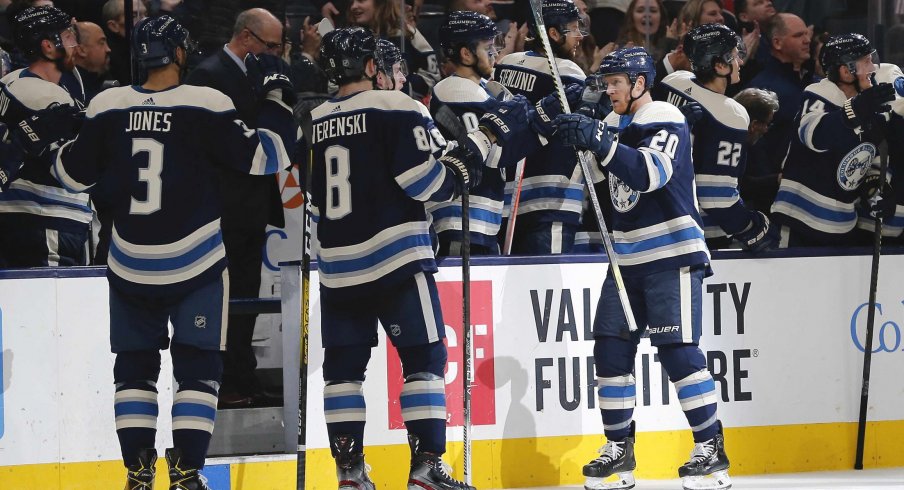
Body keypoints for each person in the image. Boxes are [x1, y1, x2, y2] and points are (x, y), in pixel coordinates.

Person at [19, 14, 294, 490]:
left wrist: (45, 138)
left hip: (129, 263)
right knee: (198, 371)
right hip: (197, 263)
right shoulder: (206, 101)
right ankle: (186, 472)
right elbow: (268, 156)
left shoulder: (107, 104)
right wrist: (275, 98)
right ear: (181, 53)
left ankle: (138, 474)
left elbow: (71, 173)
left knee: (134, 372)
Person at [310, 26, 529, 490]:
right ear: (371, 66)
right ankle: (427, 468)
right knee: (425, 359)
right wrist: (478, 145)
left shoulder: (314, 118)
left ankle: (349, 474)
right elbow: (428, 184)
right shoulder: (397, 106)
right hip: (397, 260)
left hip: (336, 267)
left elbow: (313, 202)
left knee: (343, 372)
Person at [552, 46, 731, 490]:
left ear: (639, 83)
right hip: (625, 258)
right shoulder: (615, 124)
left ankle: (711, 449)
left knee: (678, 353)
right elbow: (600, 180)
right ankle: (619, 450)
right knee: (610, 351)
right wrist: (578, 137)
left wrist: (599, 140)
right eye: (605, 82)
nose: (608, 89)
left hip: (671, 254)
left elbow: (648, 173)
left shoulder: (665, 118)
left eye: (616, 82)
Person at [185, 7, 291, 408]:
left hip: (252, 208)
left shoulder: (254, 74)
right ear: (246, 38)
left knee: (246, 295)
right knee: (225, 298)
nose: (277, 54)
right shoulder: (208, 76)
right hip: (222, 210)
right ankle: (223, 381)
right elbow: (217, 148)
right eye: (270, 46)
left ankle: (242, 378)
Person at [428, 10, 539, 256]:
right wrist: (537, 122)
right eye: (487, 47)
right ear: (466, 53)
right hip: (461, 222)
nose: (494, 53)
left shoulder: (482, 91)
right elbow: (490, 154)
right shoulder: (455, 91)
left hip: (482, 223)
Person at [658, 23, 778, 251]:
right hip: (700, 232)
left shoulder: (674, 81)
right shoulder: (729, 114)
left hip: (659, 216)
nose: (740, 62)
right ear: (720, 65)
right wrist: (751, 228)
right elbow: (717, 198)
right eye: (734, 56)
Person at [770, 33, 895, 247]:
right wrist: (858, 108)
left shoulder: (872, 106)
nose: (874, 67)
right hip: (799, 221)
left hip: (843, 225)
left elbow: (874, 157)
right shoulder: (819, 93)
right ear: (846, 71)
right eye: (866, 61)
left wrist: (877, 188)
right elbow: (815, 135)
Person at [493, 0, 588, 254]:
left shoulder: (505, 64)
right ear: (553, 34)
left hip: (505, 197)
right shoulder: (566, 71)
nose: (579, 36)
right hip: (552, 200)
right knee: (546, 284)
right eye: (573, 29)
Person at [0, 5, 89, 268]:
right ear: (48, 47)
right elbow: (78, 165)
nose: (76, 46)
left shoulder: (17, 81)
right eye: (69, 37)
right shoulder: (44, 97)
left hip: (32, 218)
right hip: (46, 218)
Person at [347, 0, 441, 101]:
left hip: (406, 108)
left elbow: (432, 74)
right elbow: (335, 85)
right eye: (352, 2)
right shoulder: (348, 41)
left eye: (361, 0)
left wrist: (409, 89)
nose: (354, 6)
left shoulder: (406, 33)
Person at [733, 87, 781, 215]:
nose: (766, 130)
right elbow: (741, 185)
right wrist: (776, 180)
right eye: (766, 124)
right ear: (754, 124)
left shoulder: (751, 143)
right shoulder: (733, 146)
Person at [101, 0, 147, 86]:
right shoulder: (106, 58)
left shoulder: (146, 48)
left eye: (145, 14)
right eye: (134, 16)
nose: (145, 21)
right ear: (114, 26)